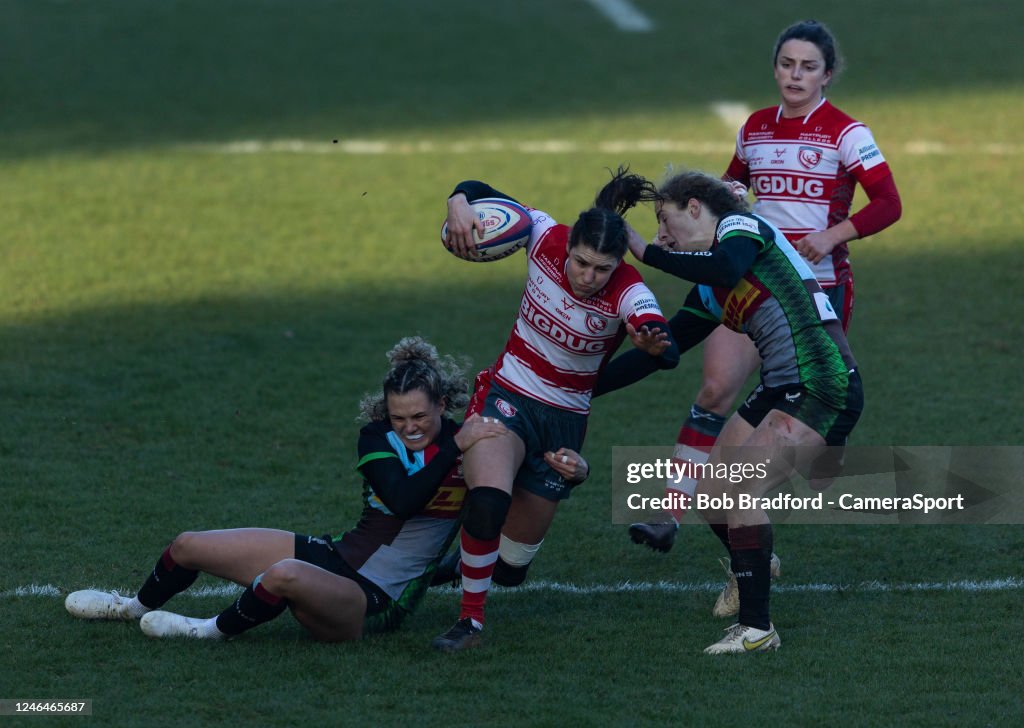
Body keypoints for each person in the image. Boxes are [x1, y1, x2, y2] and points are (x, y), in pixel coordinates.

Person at [629, 20, 900, 579]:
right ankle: (672, 514)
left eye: (808, 67)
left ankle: (827, 440)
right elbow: (727, 192)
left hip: (814, 288)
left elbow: (888, 203)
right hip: (747, 281)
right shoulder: (753, 128)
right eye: (786, 64)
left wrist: (832, 236)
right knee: (714, 389)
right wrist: (700, 213)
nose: (795, 75)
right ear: (775, 68)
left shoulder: (848, 133)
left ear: (827, 74)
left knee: (811, 398)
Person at [63, 337, 510, 641]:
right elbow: (401, 499)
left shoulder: (469, 445)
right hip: (337, 556)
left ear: (442, 404)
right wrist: (452, 447)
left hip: (375, 601)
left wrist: (558, 463)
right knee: (187, 545)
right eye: (399, 418)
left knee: (284, 574)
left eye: (420, 417)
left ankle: (205, 631)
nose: (409, 427)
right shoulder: (377, 437)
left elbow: (509, 493)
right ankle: (132, 608)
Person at [602, 169, 862, 653]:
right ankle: (755, 562)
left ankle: (757, 631)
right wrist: (581, 388)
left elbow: (726, 267)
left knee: (743, 489)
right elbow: (665, 350)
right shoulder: (708, 292)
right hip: (781, 387)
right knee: (710, 493)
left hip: (821, 383)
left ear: (694, 207)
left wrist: (644, 253)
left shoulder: (741, 227)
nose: (661, 235)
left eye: (665, 220)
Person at [431, 168, 681, 651]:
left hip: (563, 422)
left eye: (602, 269)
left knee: (510, 570)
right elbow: (481, 189)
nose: (588, 277)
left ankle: (466, 560)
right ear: (568, 246)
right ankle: (470, 623)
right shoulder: (544, 235)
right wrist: (457, 202)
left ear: (618, 264)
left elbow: (664, 345)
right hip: (507, 396)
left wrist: (656, 348)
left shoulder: (630, 290)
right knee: (488, 501)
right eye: (581, 263)